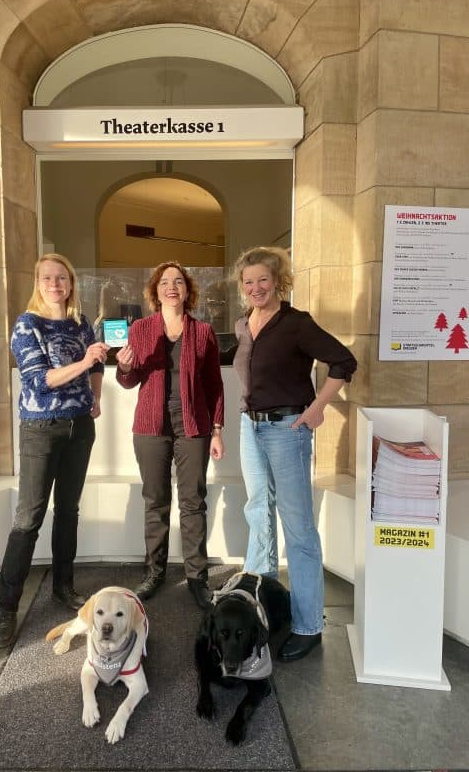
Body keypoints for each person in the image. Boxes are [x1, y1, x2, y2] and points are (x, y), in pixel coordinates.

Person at [232, 246, 357, 661]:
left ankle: (308, 625)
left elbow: (343, 361)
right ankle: (262, 602)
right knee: (257, 511)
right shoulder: (243, 325)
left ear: (277, 280)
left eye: (262, 280)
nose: (255, 287)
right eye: (248, 282)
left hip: (288, 430)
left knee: (299, 529)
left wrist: (317, 407)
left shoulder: (297, 323)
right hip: (251, 427)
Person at [0, 253, 109, 649]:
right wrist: (84, 361)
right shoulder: (27, 324)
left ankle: (63, 586)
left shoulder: (80, 323)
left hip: (80, 428)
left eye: (62, 277)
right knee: (28, 518)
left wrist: (95, 398)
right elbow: (39, 380)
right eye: (47, 278)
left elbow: (98, 366)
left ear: (71, 282)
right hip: (41, 429)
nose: (55, 284)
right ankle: (7, 608)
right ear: (37, 284)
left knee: (69, 510)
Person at [115, 262, 225, 609]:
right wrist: (125, 367)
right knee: (156, 501)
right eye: (165, 282)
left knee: (193, 502)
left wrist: (218, 429)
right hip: (150, 425)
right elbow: (129, 381)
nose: (171, 286)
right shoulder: (141, 330)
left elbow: (214, 386)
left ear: (187, 290)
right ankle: (154, 573)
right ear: (155, 290)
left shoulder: (203, 331)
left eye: (178, 281)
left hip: (193, 424)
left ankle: (197, 577)